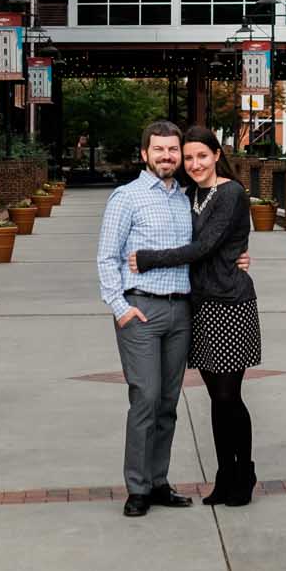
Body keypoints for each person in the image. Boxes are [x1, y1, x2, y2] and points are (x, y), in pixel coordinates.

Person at [129, 125, 262, 506]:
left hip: (230, 304)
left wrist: (149, 259)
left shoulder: (231, 193)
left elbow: (203, 247)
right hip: (200, 306)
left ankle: (244, 473)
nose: (194, 163)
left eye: (202, 156)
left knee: (228, 396)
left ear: (217, 155)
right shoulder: (190, 195)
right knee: (215, 399)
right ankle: (224, 477)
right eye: (188, 158)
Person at [96, 119, 196, 516]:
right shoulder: (126, 198)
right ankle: (137, 487)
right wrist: (121, 309)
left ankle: (158, 482)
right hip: (142, 309)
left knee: (169, 402)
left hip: (181, 310)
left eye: (173, 150)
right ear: (145, 154)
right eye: (160, 150)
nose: (167, 156)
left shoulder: (188, 199)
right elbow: (107, 257)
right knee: (145, 399)